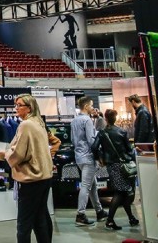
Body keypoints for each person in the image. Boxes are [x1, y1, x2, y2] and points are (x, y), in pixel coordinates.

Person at [0, 94, 60, 243]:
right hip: (43, 177)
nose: (16, 108)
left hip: (30, 179)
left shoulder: (26, 125)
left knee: (24, 223)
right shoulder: (38, 122)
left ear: (29, 108)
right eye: (15, 105)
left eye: (19, 105)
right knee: (40, 218)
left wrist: (4, 154)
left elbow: (19, 153)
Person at [93, 109, 139, 230]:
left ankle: (131, 218)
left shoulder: (102, 133)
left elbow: (94, 147)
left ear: (106, 119)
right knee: (120, 192)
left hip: (111, 165)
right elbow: (129, 150)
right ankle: (110, 220)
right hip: (123, 165)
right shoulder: (122, 132)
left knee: (122, 192)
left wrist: (100, 158)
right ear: (115, 118)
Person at [70, 96, 107, 225]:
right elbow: (92, 140)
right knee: (86, 186)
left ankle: (99, 211)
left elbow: (73, 140)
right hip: (88, 157)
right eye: (91, 105)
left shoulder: (74, 121)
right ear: (86, 106)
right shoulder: (87, 120)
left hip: (79, 157)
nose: (93, 108)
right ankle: (80, 214)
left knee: (93, 186)